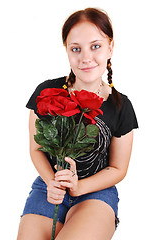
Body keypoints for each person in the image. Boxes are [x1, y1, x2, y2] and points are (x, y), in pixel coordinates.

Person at [17, 8, 138, 240]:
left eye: (95, 46)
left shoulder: (122, 106)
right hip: (48, 187)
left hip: (95, 192)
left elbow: (118, 168)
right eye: (76, 49)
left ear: (110, 47)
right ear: (67, 50)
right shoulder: (46, 92)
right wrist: (52, 182)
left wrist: (78, 187)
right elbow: (35, 149)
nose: (85, 57)